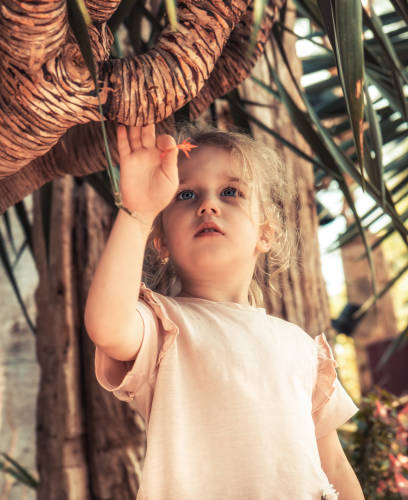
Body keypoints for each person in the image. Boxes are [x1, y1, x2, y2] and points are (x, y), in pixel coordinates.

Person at [85, 123, 365, 500]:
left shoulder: (301, 348)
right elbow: (107, 326)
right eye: (185, 194)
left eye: (231, 192)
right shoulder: (163, 327)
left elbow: (333, 466)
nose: (208, 204)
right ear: (161, 240)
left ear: (266, 233)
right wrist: (137, 212)